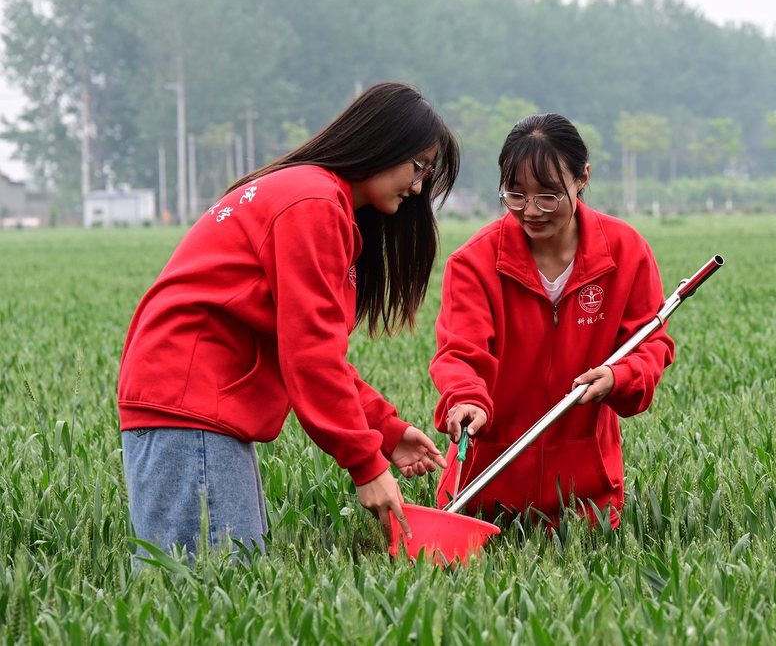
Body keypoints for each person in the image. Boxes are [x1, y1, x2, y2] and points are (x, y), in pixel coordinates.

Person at [119, 82, 458, 557]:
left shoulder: (311, 195)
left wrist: (386, 431)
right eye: (419, 166)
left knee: (226, 586)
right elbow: (310, 355)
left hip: (196, 407)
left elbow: (306, 347)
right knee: (207, 594)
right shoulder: (312, 203)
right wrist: (366, 464)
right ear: (384, 142)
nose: (419, 185)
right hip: (190, 405)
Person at [430, 113, 674, 528]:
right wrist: (465, 398)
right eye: (515, 195)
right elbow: (460, 352)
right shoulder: (474, 262)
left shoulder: (626, 252)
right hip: (483, 491)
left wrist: (619, 376)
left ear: (582, 179)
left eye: (548, 196)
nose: (531, 211)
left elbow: (651, 345)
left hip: (585, 499)